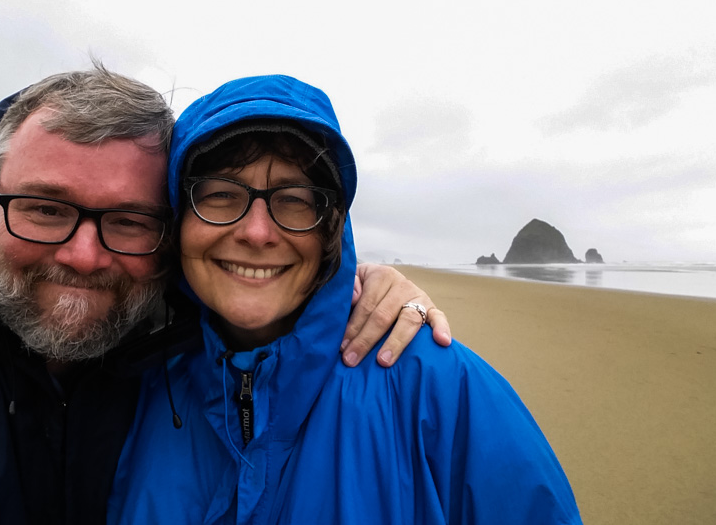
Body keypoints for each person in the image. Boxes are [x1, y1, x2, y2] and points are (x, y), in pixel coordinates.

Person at [0, 64, 451, 524]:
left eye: (128, 221)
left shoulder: (177, 347)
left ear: (167, 233)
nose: (84, 256)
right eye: (46, 209)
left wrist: (350, 285)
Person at [106, 75, 582, 524]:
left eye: (294, 198)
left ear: (332, 229)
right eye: (220, 194)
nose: (256, 232)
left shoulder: (438, 389)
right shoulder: (131, 384)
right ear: (177, 217)